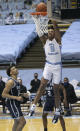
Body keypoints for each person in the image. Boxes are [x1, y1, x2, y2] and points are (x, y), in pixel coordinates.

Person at [29, 18, 62, 124]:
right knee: (42, 86)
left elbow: (57, 30)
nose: (50, 32)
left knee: (56, 90)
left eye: (52, 31)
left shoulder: (58, 40)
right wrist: (38, 22)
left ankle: (57, 111)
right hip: (48, 65)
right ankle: (33, 107)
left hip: (57, 67)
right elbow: (39, 33)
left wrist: (53, 21)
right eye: (49, 31)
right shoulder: (45, 41)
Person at [2, 65, 26, 131]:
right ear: (11, 73)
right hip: (12, 103)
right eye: (14, 69)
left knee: (16, 122)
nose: (16, 69)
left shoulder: (16, 81)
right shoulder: (10, 82)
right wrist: (16, 98)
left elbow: (14, 93)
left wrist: (23, 94)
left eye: (16, 68)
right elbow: (3, 94)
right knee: (22, 122)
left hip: (16, 103)